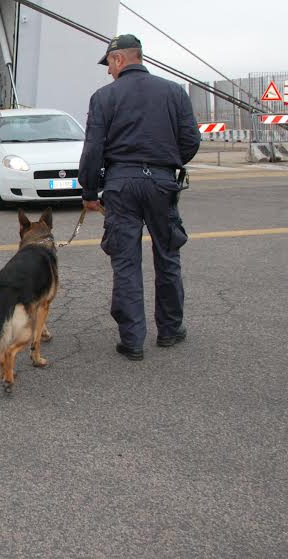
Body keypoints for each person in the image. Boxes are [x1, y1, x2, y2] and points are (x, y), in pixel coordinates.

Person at [78, 34, 201, 361]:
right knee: (168, 255)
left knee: (126, 261)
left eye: (109, 64)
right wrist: (166, 162)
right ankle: (170, 330)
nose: (108, 72)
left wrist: (89, 192)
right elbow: (190, 141)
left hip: (121, 184)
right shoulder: (174, 91)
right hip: (162, 183)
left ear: (119, 59)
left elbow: (93, 149)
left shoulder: (103, 97)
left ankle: (132, 341)